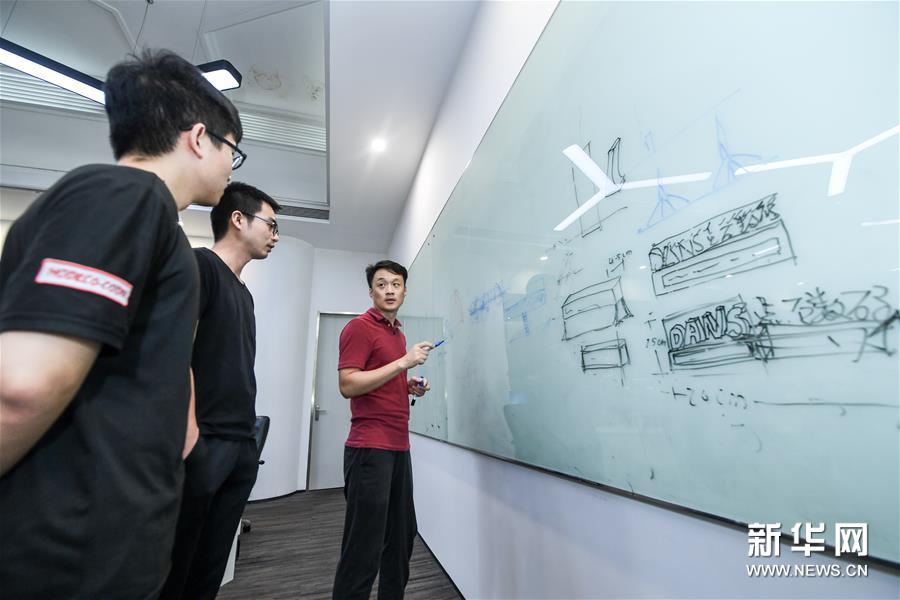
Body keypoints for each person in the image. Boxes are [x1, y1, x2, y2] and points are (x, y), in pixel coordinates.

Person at [0, 50, 242, 598]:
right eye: (233, 150)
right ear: (199, 138)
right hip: (63, 558)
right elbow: (22, 387)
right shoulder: (122, 195)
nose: (232, 166)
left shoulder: (157, 225)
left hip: (110, 548)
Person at [161, 182, 280, 599]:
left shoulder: (244, 295)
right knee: (176, 567)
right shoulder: (200, 266)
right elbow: (175, 351)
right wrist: (191, 438)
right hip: (205, 443)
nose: (275, 235)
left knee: (209, 570)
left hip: (240, 444)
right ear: (238, 219)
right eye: (270, 224)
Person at [332, 260, 434, 600]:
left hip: (398, 447)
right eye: (381, 284)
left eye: (395, 284)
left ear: (405, 291)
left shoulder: (397, 333)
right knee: (364, 546)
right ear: (371, 291)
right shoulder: (359, 328)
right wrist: (404, 362)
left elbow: (381, 378)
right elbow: (348, 384)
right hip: (369, 448)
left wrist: (407, 384)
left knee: (402, 538)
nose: (389, 290)